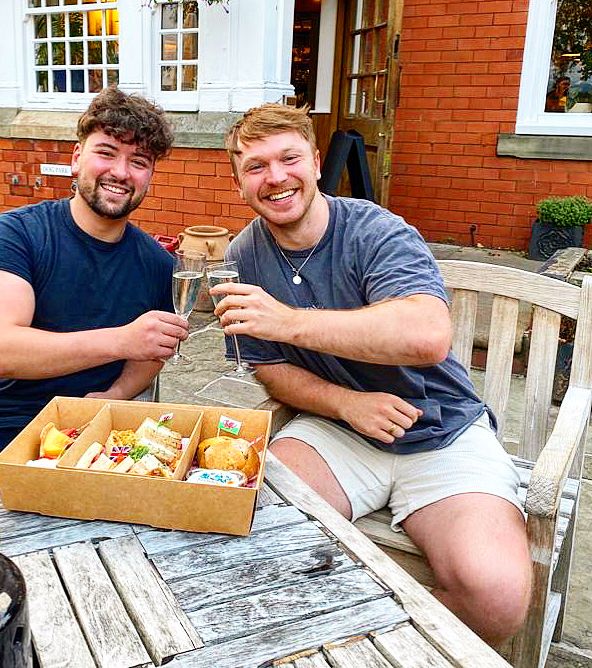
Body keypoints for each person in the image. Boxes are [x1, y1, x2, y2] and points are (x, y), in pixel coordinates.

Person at [210, 103, 531, 647]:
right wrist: (345, 404)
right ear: (240, 183)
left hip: (439, 430)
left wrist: (289, 320)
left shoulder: (376, 230)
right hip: (333, 428)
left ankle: (373, 649)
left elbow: (428, 336)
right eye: (256, 166)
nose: (276, 177)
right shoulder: (242, 254)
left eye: (288, 158)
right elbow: (270, 368)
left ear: (315, 163)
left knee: (496, 597)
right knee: (248, 537)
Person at [0, 87, 188, 471]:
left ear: (150, 176)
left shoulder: (157, 264)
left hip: (89, 445)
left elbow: (153, 351)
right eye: (106, 152)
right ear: (77, 158)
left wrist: (117, 393)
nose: (120, 172)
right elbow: (0, 352)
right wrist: (122, 339)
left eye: (139, 160)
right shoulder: (17, 233)